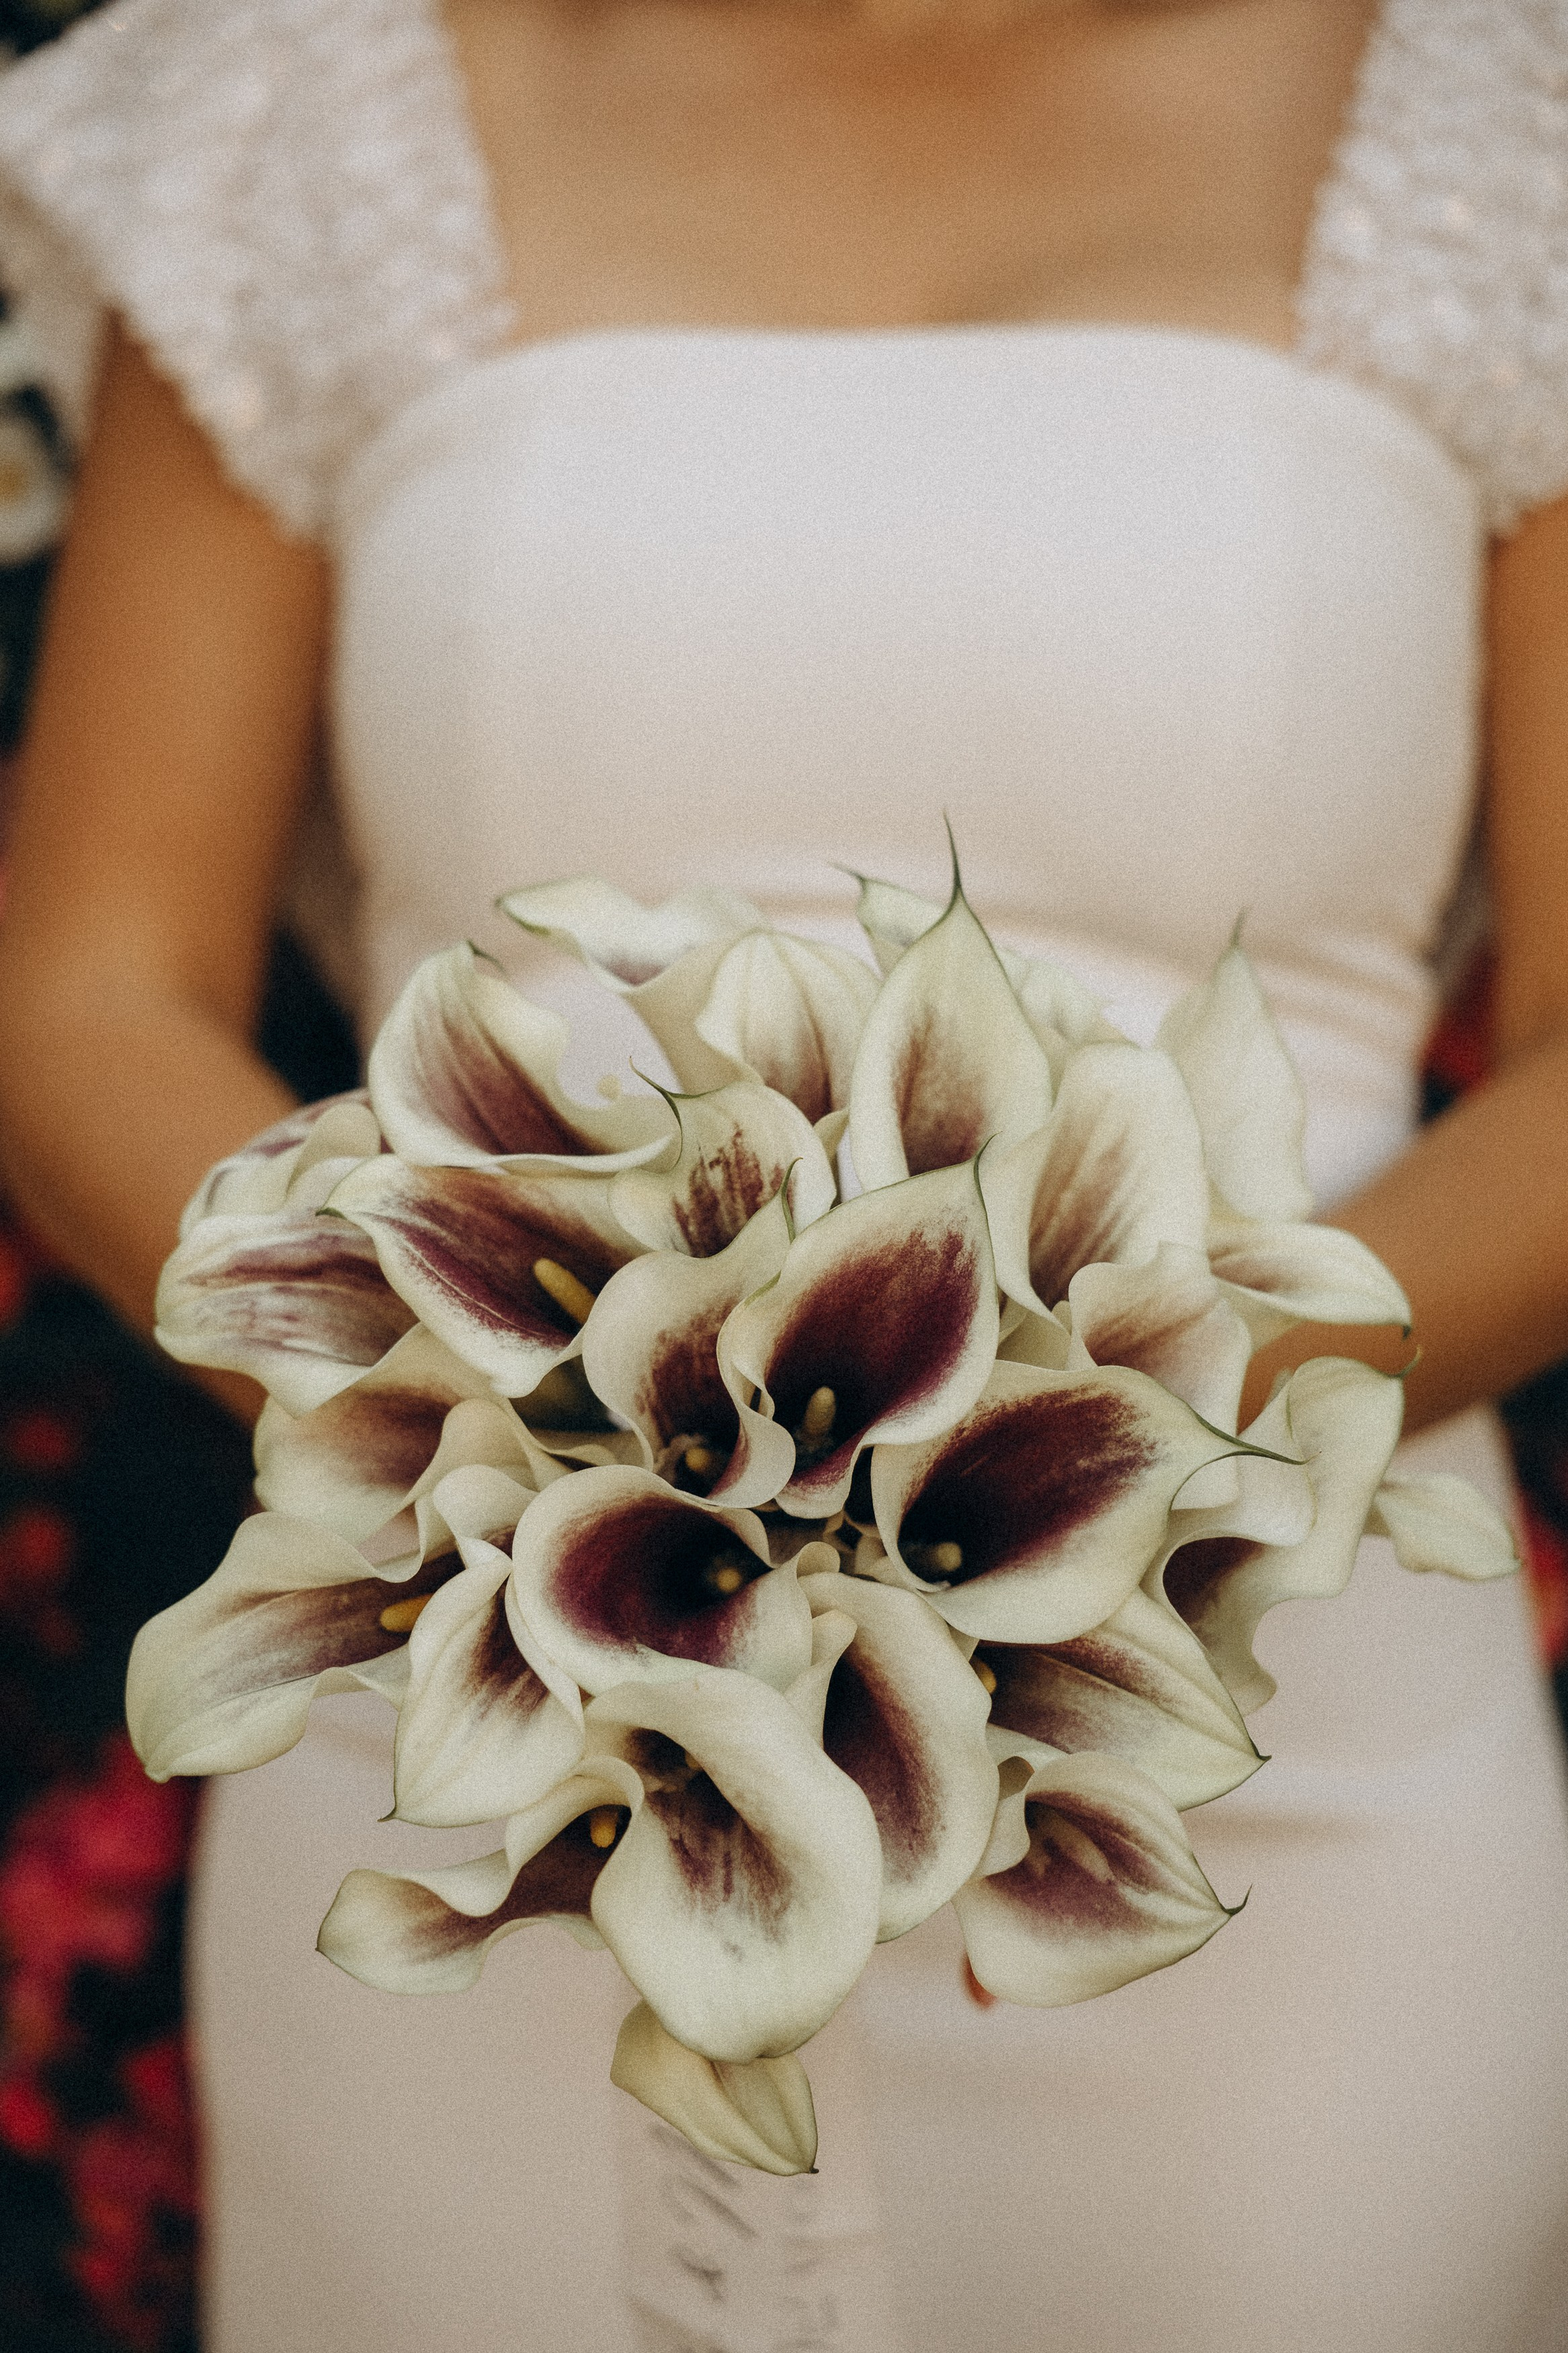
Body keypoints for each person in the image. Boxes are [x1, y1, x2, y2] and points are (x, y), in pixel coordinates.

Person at [0, 0, 1565, 2345]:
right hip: (508, 1700)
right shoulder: (304, 84)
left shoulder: (1507, 105)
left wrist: (1104, 1446)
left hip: (1269, 1750)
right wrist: (497, 1442)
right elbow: (84, 988)